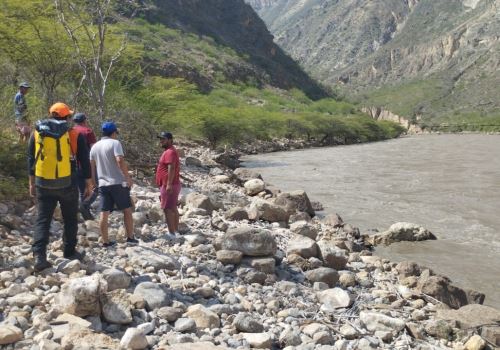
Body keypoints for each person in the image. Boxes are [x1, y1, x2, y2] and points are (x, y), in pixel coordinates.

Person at [28, 102, 92, 271]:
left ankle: (39, 257)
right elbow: (84, 161)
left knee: (43, 219)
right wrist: (88, 182)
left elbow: (31, 159)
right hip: (67, 183)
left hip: (43, 182)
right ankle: (69, 251)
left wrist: (31, 182)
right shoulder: (74, 133)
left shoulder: (37, 133)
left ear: (50, 115)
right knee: (70, 218)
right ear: (68, 117)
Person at [90, 121, 138, 247]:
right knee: (127, 209)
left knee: (104, 212)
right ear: (113, 133)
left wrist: (94, 182)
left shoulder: (94, 146)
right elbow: (119, 160)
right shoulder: (115, 143)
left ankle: (105, 241)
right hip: (117, 182)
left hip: (103, 184)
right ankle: (130, 237)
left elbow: (92, 166)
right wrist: (127, 178)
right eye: (116, 133)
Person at [72, 112, 97, 220]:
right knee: (96, 187)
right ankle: (85, 206)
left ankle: (84, 212)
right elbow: (93, 149)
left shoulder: (70, 131)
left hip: (72, 164)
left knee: (81, 189)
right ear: (84, 121)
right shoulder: (88, 131)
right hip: (86, 164)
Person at [156, 131, 181, 235]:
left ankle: (172, 234)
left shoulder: (170, 152)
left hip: (169, 185)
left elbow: (171, 167)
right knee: (173, 207)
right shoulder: (169, 151)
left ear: (170, 140)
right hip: (171, 184)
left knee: (167, 209)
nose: (161, 141)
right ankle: (175, 231)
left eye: (163, 139)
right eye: (160, 139)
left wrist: (169, 184)